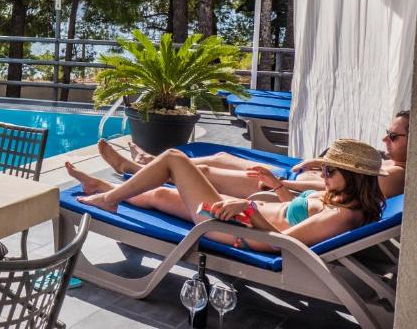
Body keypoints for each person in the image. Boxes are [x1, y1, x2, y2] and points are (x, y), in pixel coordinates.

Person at [67, 139, 387, 252]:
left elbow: (282, 243)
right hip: (237, 219)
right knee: (162, 198)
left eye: (331, 171)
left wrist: (248, 209)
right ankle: (105, 189)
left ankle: (110, 197)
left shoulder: (342, 215)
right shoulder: (343, 202)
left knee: (174, 159)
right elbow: (294, 213)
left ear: (356, 178)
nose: (324, 176)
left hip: (232, 230)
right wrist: (276, 186)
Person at [95, 110, 408, 200]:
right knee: (217, 156)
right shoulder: (391, 163)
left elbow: (346, 191)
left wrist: (285, 186)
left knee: (201, 172)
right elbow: (348, 176)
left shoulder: (396, 174)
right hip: (290, 178)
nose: (385, 138)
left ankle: (133, 168)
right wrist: (322, 163)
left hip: (283, 185)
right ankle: (148, 163)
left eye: (393, 136)